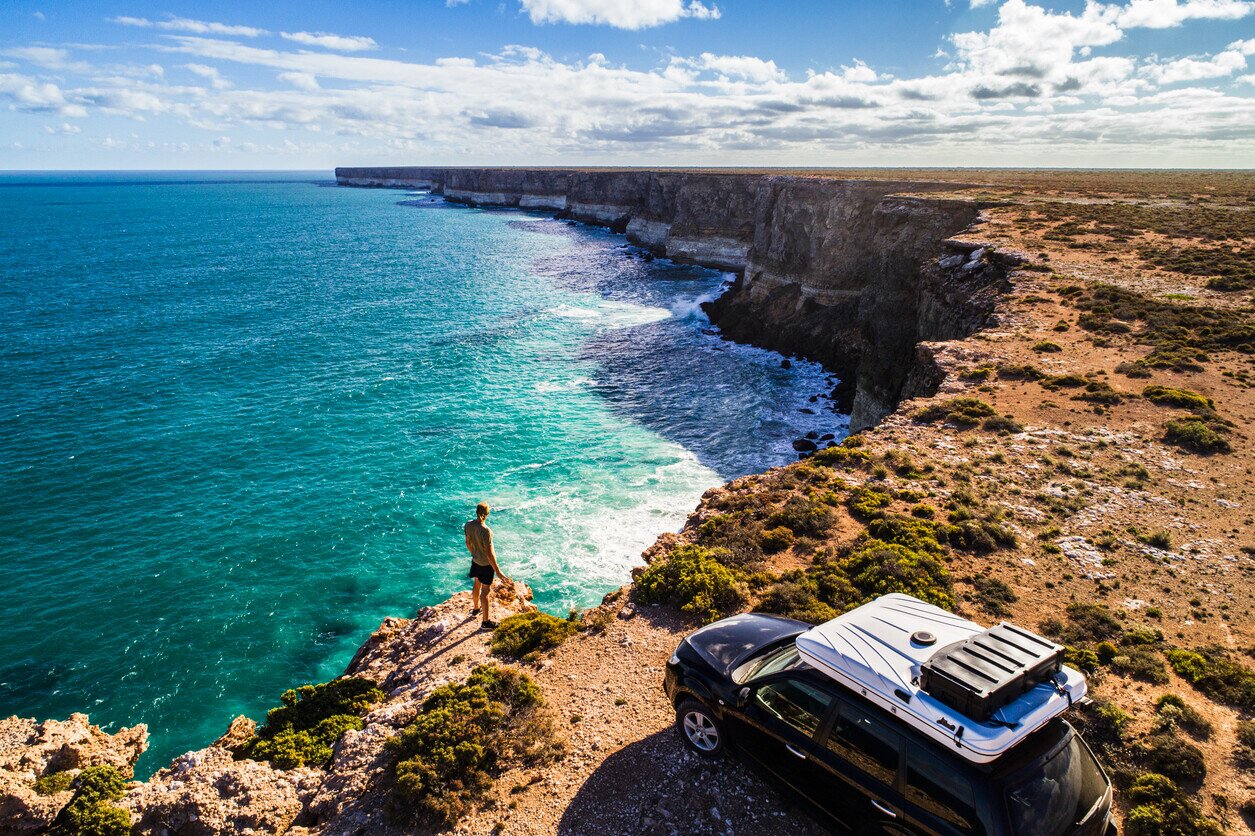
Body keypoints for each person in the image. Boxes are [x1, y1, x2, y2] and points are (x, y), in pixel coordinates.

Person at [464, 502, 510, 628]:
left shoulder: (468, 525)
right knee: (485, 592)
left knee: (476, 583)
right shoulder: (486, 531)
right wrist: (499, 572)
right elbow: (490, 554)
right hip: (486, 565)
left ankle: (475, 609)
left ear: (476, 511)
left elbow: (467, 542)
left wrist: (474, 553)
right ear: (487, 514)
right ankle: (485, 622)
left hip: (475, 561)